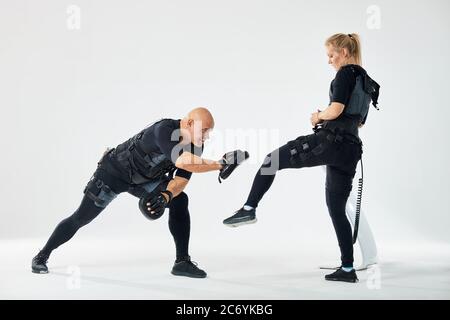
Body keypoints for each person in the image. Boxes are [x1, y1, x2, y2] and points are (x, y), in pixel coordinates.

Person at [223, 33, 380, 283]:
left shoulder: (345, 73)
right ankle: (348, 270)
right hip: (351, 150)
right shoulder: (367, 82)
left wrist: (318, 116)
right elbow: (358, 122)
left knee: (271, 160)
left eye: (332, 54)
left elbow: (336, 109)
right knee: (337, 209)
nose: (329, 60)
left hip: (330, 142)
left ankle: (248, 209)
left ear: (345, 52)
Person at [32, 107, 248, 278]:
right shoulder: (164, 129)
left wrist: (165, 197)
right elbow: (183, 161)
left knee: (180, 200)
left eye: (209, 132)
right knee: (80, 218)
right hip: (112, 174)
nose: (207, 137)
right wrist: (220, 164)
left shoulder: (195, 147)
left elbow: (181, 179)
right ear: (190, 123)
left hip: (145, 181)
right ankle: (42, 255)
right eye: (205, 131)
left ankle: (182, 261)